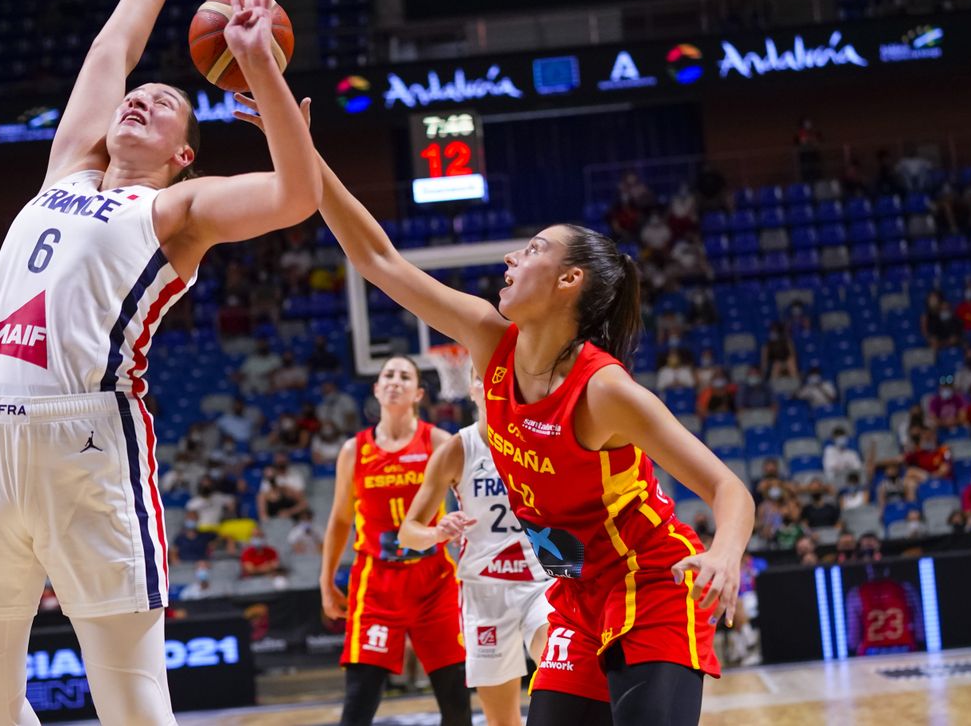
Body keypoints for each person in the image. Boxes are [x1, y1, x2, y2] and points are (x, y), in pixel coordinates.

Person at [0, 0, 323, 726]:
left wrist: (263, 72)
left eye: (165, 103)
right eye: (140, 96)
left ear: (183, 154)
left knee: (132, 711)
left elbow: (295, 193)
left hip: (85, 440)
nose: (141, 98)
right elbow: (109, 51)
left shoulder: (175, 212)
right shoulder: (67, 169)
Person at [310, 130, 752, 724]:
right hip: (574, 595)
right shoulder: (488, 340)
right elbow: (376, 259)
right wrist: (300, 146)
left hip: (651, 587)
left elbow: (729, 489)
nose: (510, 259)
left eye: (532, 249)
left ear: (569, 280)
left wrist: (724, 554)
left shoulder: (606, 392)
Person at [318, 357, 470, 726]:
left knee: (455, 702)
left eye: (405, 376)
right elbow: (340, 520)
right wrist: (326, 582)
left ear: (418, 393)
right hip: (377, 583)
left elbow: (472, 498)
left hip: (435, 580)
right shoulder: (354, 450)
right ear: (376, 388)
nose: (395, 381)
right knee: (359, 701)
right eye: (388, 375)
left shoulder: (438, 440)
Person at [400, 374, 554, 726]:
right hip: (485, 591)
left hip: (542, 584)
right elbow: (408, 534)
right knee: (502, 720)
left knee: (559, 682)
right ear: (470, 389)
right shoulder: (458, 448)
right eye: (481, 377)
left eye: (501, 374)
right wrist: (436, 532)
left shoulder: (542, 438)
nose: (492, 382)